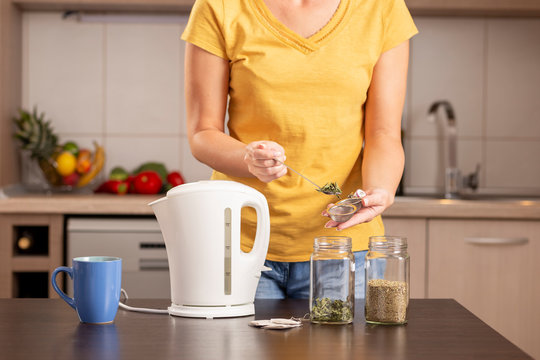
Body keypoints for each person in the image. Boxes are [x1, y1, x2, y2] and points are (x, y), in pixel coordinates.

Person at [181, 0, 418, 299]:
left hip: (343, 251)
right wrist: (247, 159)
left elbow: (383, 132)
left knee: (345, 348)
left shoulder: (381, 8)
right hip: (239, 246)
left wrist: (378, 192)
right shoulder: (220, 7)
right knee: (235, 347)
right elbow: (203, 133)